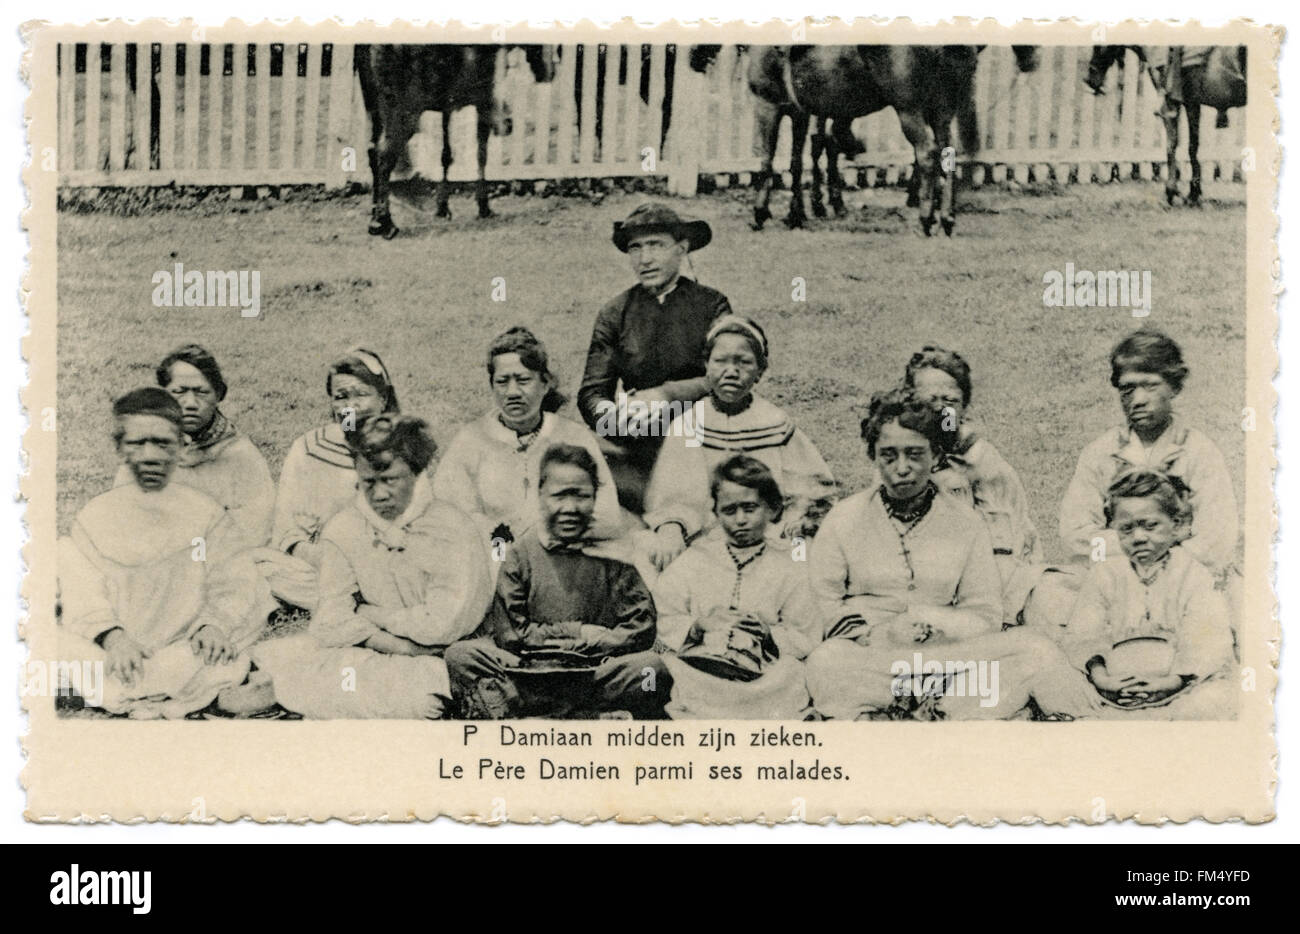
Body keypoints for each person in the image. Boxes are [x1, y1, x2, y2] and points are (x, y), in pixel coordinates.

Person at [805, 389, 1099, 721]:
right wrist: (877, 634)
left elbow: (985, 610)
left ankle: (906, 712)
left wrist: (941, 627)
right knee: (825, 663)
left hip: (948, 657)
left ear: (935, 456)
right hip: (872, 659)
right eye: (888, 455)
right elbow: (823, 602)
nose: (902, 468)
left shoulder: (965, 522)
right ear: (873, 456)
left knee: (1035, 649)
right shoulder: (844, 519)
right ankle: (940, 711)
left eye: (915, 454)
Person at [245, 416, 493, 719]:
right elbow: (330, 619)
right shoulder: (345, 527)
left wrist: (371, 613)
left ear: (415, 474)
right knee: (302, 665)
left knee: (420, 691)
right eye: (368, 483)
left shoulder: (451, 529)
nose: (379, 495)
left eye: (390, 480)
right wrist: (394, 644)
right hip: (376, 647)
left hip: (443, 655)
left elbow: (441, 625)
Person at [58, 388, 268, 718]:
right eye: (137, 443)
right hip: (116, 647)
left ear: (182, 447)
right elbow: (83, 591)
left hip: (184, 644)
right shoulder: (96, 516)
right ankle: (168, 694)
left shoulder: (206, 514)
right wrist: (113, 638)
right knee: (59, 641)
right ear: (119, 449)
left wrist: (212, 626)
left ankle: (135, 693)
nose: (150, 455)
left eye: (162, 443)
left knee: (215, 655)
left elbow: (234, 579)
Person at [445, 443, 671, 719]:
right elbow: (510, 635)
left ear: (595, 497)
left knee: (651, 669)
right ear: (541, 495)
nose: (570, 508)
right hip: (530, 669)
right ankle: (585, 714)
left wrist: (582, 651)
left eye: (581, 496)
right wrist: (579, 633)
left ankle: (541, 711)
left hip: (596, 670)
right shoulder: (520, 554)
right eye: (559, 496)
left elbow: (641, 630)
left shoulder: (615, 553)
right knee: (461, 655)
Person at [642, 315, 836, 571]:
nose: (731, 372)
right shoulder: (690, 423)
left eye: (744, 362)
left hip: (770, 533)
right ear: (706, 366)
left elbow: (810, 488)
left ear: (760, 371)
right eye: (720, 361)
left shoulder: (775, 423)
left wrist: (796, 524)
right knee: (653, 556)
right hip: (704, 535)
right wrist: (672, 527)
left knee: (805, 559)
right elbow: (674, 493)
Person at [577, 203, 732, 513]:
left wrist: (665, 396)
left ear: (682, 248)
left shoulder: (712, 305)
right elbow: (592, 392)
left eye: (656, 246)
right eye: (636, 248)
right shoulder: (616, 312)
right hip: (636, 445)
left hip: (700, 438)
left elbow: (727, 376)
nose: (644, 259)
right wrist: (614, 418)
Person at [1056, 470, 1236, 719]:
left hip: (1179, 688)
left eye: (1150, 526)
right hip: (1112, 689)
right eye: (1126, 529)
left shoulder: (1193, 575)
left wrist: (1172, 681)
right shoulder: (1105, 574)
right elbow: (1084, 634)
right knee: (1062, 693)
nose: (1139, 537)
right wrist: (1103, 679)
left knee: (1215, 701)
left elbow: (1208, 638)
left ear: (1176, 526)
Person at [433, 326, 623, 559]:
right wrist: (498, 537)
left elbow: (608, 514)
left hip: (565, 552)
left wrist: (549, 532)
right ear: (492, 385)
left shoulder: (573, 437)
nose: (512, 392)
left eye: (523, 380)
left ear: (544, 384)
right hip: (495, 555)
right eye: (502, 381)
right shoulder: (470, 440)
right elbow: (449, 512)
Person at [1059, 330, 1238, 578]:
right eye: (1128, 389)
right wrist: (1149, 544)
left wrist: (1163, 567)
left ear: (1174, 386)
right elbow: (1075, 538)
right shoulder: (1101, 453)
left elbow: (1216, 538)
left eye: (1150, 386)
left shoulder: (1199, 452)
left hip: (1184, 579)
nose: (1138, 400)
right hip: (1116, 578)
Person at [652, 456, 820, 719]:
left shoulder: (790, 565)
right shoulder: (697, 558)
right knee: (667, 670)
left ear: (771, 509)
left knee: (792, 674)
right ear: (716, 513)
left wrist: (769, 635)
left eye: (750, 508)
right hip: (701, 664)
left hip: (763, 671)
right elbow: (666, 612)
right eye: (729, 511)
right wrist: (697, 625)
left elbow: (805, 631)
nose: (740, 520)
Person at [902, 346, 1042, 622]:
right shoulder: (900, 463)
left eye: (950, 401)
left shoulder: (986, 463)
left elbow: (1017, 540)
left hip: (993, 592)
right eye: (929, 401)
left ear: (965, 407)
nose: (940, 410)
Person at [267, 347, 401, 607]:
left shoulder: (403, 449)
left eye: (361, 394)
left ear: (383, 399)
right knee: (262, 568)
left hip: (384, 565)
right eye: (341, 397)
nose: (351, 406)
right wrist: (319, 557)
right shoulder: (308, 448)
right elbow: (286, 527)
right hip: (317, 565)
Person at [113, 344, 275, 553]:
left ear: (218, 395)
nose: (190, 403)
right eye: (179, 392)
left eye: (201, 392)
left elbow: (254, 532)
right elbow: (121, 517)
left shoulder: (241, 456)